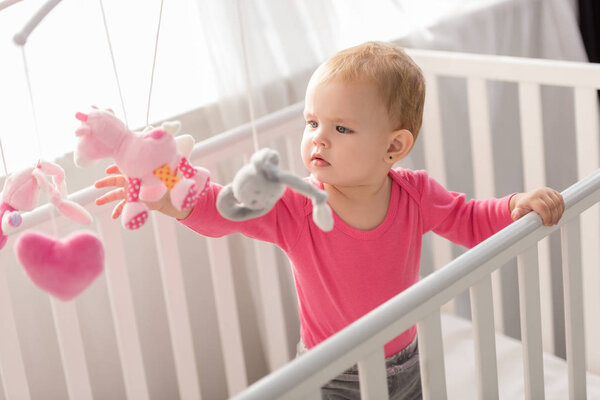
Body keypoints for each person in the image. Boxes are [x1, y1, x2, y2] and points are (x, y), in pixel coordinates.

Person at [94, 41, 565, 399]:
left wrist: (514, 207)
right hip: (331, 372)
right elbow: (223, 210)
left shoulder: (414, 194)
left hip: (404, 363)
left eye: (341, 128)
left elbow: (468, 218)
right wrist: (169, 199)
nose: (318, 138)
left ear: (394, 147)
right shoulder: (296, 207)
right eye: (312, 122)